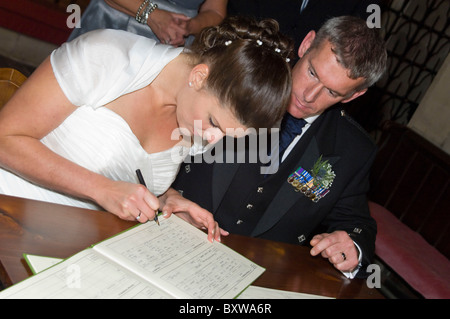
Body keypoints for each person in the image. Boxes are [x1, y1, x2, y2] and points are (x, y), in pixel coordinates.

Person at [0, 17, 293, 242]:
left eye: (229, 137)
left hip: (77, 238)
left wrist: (169, 200)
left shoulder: (196, 117)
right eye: (215, 124)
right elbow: (5, 139)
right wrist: (100, 189)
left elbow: (132, 173)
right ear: (199, 76)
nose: (212, 139)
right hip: (11, 215)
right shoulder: (106, 56)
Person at [169, 16, 387, 277]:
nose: (309, 96)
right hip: (171, 236)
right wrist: (166, 195)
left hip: (259, 278)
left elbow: (357, 225)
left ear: (354, 95)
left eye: (332, 92)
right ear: (306, 45)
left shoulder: (353, 149)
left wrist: (352, 246)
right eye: (312, 72)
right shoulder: (237, 74)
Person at [68, 0, 228, 47]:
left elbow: (216, 11)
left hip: (175, 40)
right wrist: (150, 15)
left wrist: (190, 26)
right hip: (114, 24)